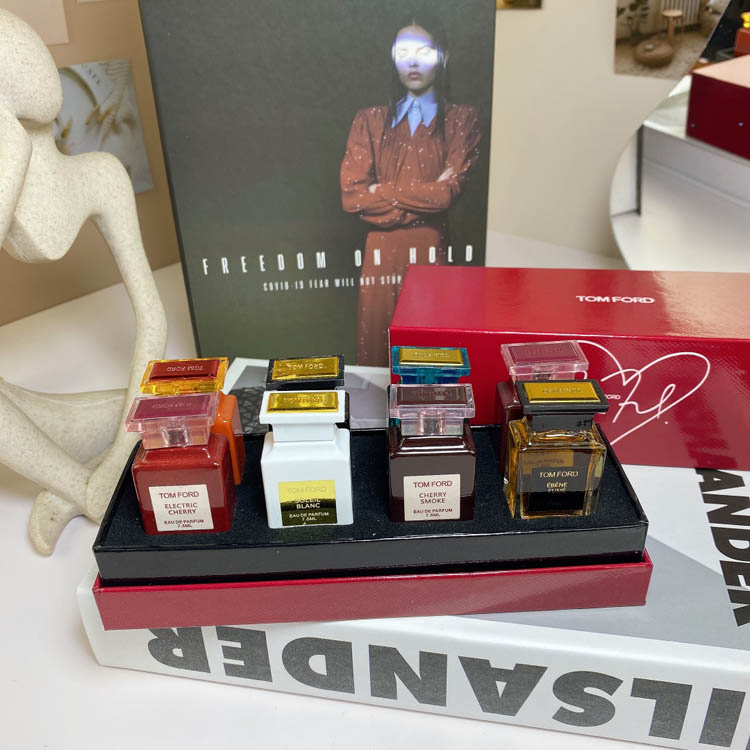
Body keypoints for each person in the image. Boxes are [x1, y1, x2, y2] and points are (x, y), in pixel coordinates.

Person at [340, 12, 481, 366]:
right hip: (378, 259)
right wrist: (423, 196)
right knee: (375, 360)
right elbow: (353, 196)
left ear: (443, 56)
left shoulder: (462, 119)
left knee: (428, 358)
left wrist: (382, 190)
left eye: (424, 51)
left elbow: (446, 193)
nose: (413, 62)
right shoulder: (369, 120)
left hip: (430, 253)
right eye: (403, 53)